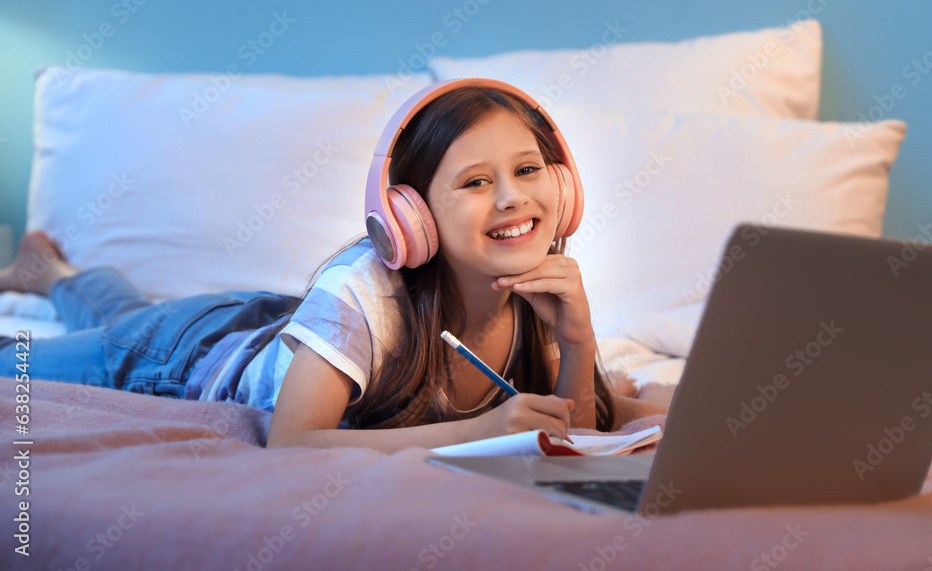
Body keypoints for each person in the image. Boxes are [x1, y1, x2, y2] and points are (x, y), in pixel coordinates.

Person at [0, 79, 662, 452]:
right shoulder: (363, 289)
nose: (513, 196)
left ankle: (54, 275)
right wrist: (478, 432)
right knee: (31, 357)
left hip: (266, 327)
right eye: (475, 182)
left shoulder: (540, 286)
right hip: (185, 352)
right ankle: (55, 280)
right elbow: (292, 443)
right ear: (412, 216)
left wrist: (577, 338)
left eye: (525, 170)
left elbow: (573, 434)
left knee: (126, 312)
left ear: (562, 185)